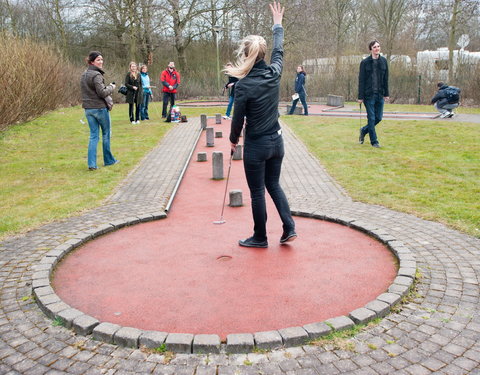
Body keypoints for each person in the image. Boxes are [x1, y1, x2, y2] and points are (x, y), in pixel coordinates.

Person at [227, 1, 296, 248]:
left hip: (257, 145)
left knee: (258, 191)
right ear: (263, 55)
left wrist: (233, 140)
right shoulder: (274, 73)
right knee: (273, 184)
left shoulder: (243, 86)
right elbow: (280, 51)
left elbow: (237, 119)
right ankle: (289, 227)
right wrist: (277, 25)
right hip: (277, 141)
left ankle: (260, 237)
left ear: (247, 55)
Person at [80, 51, 118, 171]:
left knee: (93, 136)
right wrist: (111, 87)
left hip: (88, 109)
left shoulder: (84, 74)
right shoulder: (96, 75)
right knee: (106, 134)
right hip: (99, 108)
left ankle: (92, 164)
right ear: (92, 62)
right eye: (98, 60)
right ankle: (109, 160)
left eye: (102, 59)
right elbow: (102, 92)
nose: (101, 62)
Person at [357, 40, 389, 148]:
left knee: (378, 118)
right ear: (371, 49)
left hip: (380, 94)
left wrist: (386, 94)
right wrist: (360, 97)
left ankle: (363, 130)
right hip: (368, 95)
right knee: (371, 118)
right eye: (374, 47)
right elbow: (361, 80)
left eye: (378, 46)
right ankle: (374, 141)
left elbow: (386, 79)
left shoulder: (384, 61)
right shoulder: (365, 62)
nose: (377, 48)